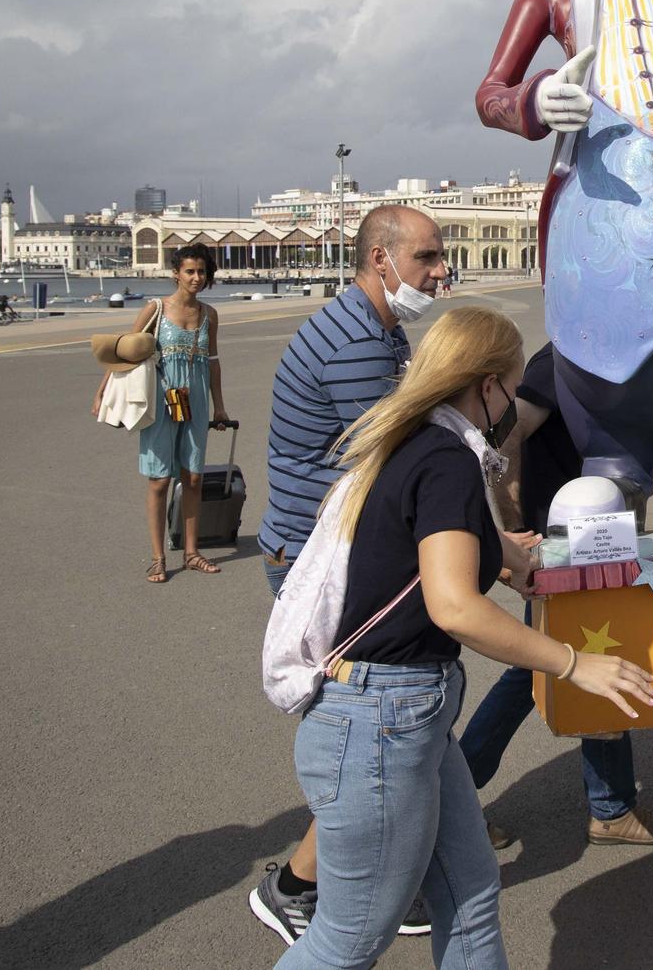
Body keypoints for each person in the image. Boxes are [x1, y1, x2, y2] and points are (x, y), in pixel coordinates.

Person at [275, 307, 653, 967]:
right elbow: (453, 606)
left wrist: (506, 552)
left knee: (472, 893)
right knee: (350, 939)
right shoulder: (447, 461)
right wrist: (573, 663)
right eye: (512, 385)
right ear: (485, 384)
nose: (514, 402)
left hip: (404, 714)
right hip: (379, 721)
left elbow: (418, 541)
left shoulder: (416, 442)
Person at [251, 205, 447, 943]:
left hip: (322, 551)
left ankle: (405, 865)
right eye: (425, 256)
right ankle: (296, 884)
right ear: (379, 259)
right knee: (371, 732)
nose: (439, 271)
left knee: (396, 730)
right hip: (319, 564)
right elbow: (397, 461)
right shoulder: (359, 344)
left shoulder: (376, 328)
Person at [455, 343, 653, 846]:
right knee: (542, 664)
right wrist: (516, 531)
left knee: (589, 652)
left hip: (605, 538)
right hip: (566, 542)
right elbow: (509, 435)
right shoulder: (565, 359)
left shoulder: (628, 355)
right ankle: (453, 795)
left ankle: (610, 806)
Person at [133, 244, 230, 583]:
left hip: (195, 401)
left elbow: (214, 363)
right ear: (176, 273)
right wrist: (104, 392)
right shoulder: (155, 310)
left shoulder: (209, 315)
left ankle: (191, 553)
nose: (196, 277)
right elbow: (125, 354)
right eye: (190, 271)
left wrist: (219, 406)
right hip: (162, 400)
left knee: (193, 478)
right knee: (160, 480)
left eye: (202, 272)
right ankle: (158, 558)